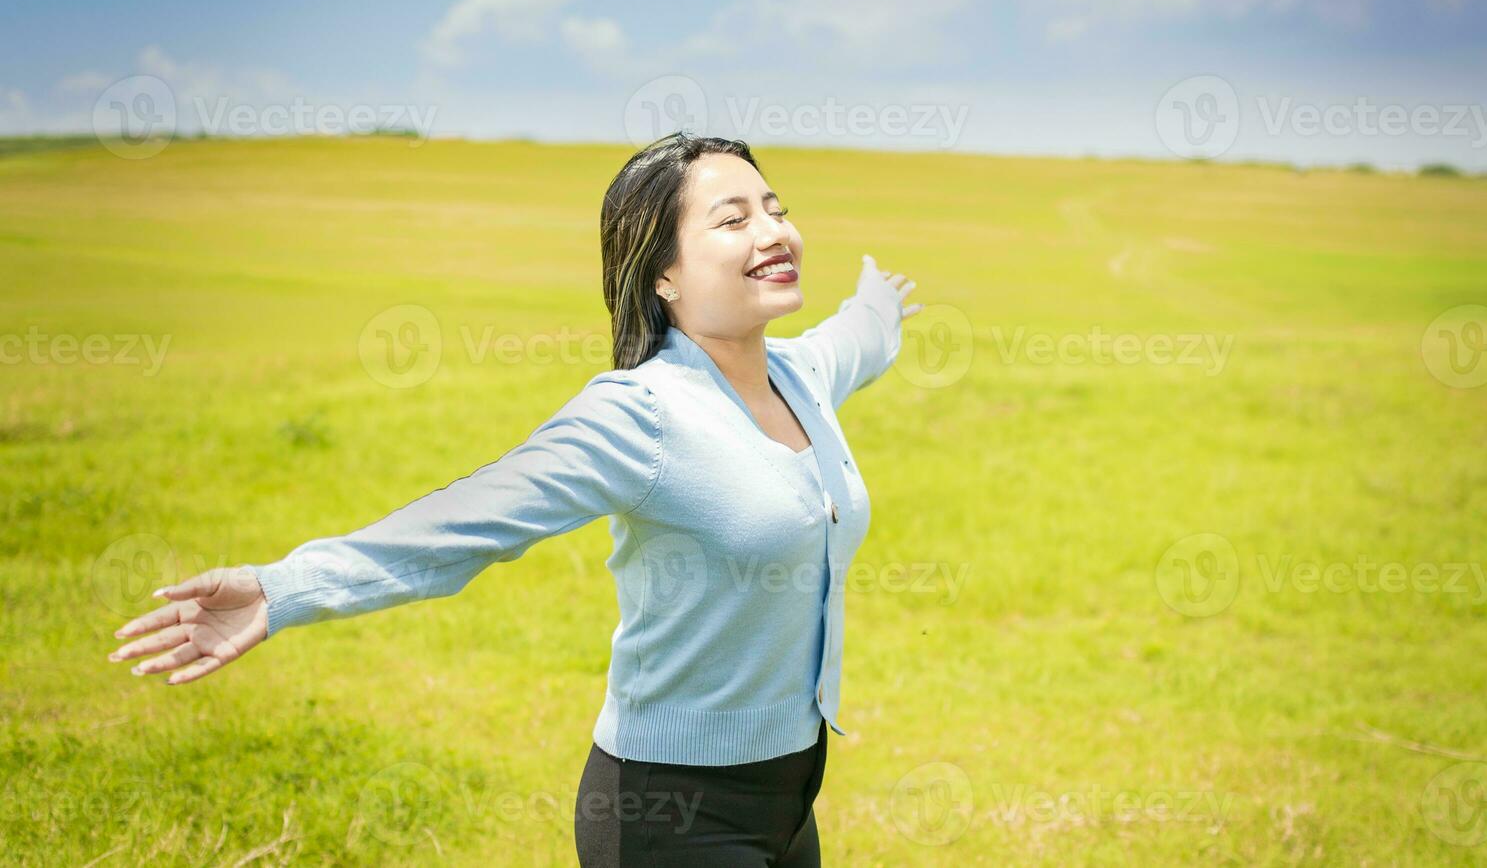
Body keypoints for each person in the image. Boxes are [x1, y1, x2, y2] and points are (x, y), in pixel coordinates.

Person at [107, 131, 922, 866]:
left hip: (789, 795)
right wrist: (282, 588)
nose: (773, 232)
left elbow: (861, 339)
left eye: (775, 209)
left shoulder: (800, 377)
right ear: (663, 270)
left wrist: (876, 299)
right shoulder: (638, 416)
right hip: (670, 812)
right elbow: (461, 525)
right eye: (733, 218)